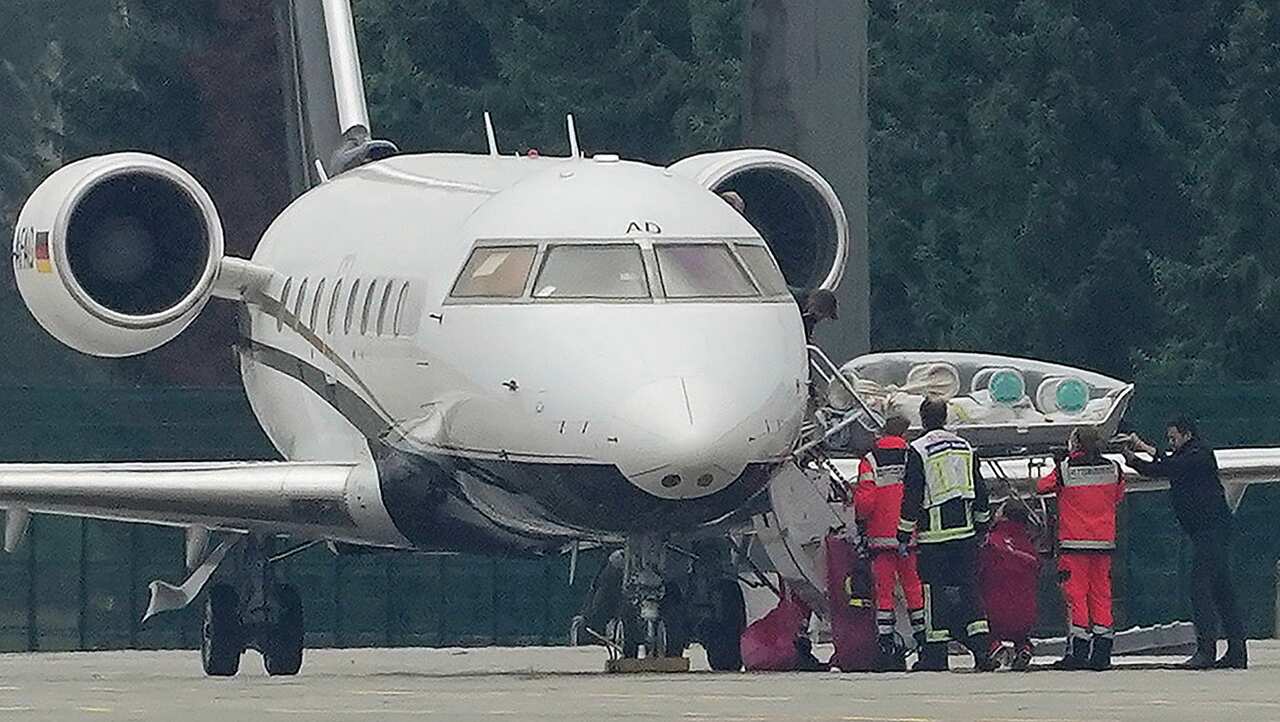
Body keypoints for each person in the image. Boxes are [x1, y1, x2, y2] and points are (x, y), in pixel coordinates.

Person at [1123, 417, 1247, 669]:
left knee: (1200, 589)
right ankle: (1236, 651)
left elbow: (1165, 467)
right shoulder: (1189, 455)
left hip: (1210, 532)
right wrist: (1141, 453)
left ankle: (1206, 651)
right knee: (1222, 591)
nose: (1171, 442)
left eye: (1173, 438)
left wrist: (1135, 458)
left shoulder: (1198, 455)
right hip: (1209, 532)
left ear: (1186, 434)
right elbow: (1166, 462)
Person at [897, 397, 997, 671]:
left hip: (934, 537)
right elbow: (980, 491)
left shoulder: (918, 449)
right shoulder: (965, 447)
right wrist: (982, 526)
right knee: (969, 591)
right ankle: (982, 653)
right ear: (945, 417)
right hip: (965, 536)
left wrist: (904, 534)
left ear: (923, 418)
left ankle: (935, 656)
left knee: (934, 594)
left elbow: (912, 495)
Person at [1037, 427, 1124, 670]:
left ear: (1075, 444)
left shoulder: (1065, 470)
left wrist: (1061, 463)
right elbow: (1117, 496)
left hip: (1074, 545)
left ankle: (1078, 651)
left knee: (1076, 597)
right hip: (1104, 544)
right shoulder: (1114, 469)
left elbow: (1041, 486)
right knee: (1102, 596)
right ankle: (1102, 652)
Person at [853, 415, 926, 670]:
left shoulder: (870, 460)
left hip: (880, 538)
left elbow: (865, 501)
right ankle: (923, 642)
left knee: (883, 594)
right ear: (905, 434)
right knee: (914, 591)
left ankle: (886, 645)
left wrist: (862, 521)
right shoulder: (913, 456)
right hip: (911, 536)